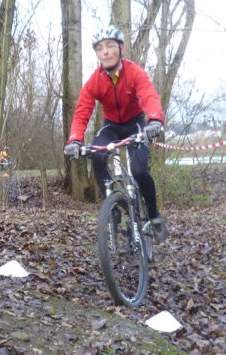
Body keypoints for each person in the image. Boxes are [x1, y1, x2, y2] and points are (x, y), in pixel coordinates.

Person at [63, 25, 168, 243]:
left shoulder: (134, 72)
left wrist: (155, 120)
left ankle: (154, 216)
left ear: (121, 48)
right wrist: (75, 139)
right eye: (100, 48)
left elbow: (148, 95)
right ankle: (115, 204)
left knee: (139, 171)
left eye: (110, 46)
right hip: (111, 125)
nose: (106, 52)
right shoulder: (95, 80)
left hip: (136, 124)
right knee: (97, 156)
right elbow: (82, 111)